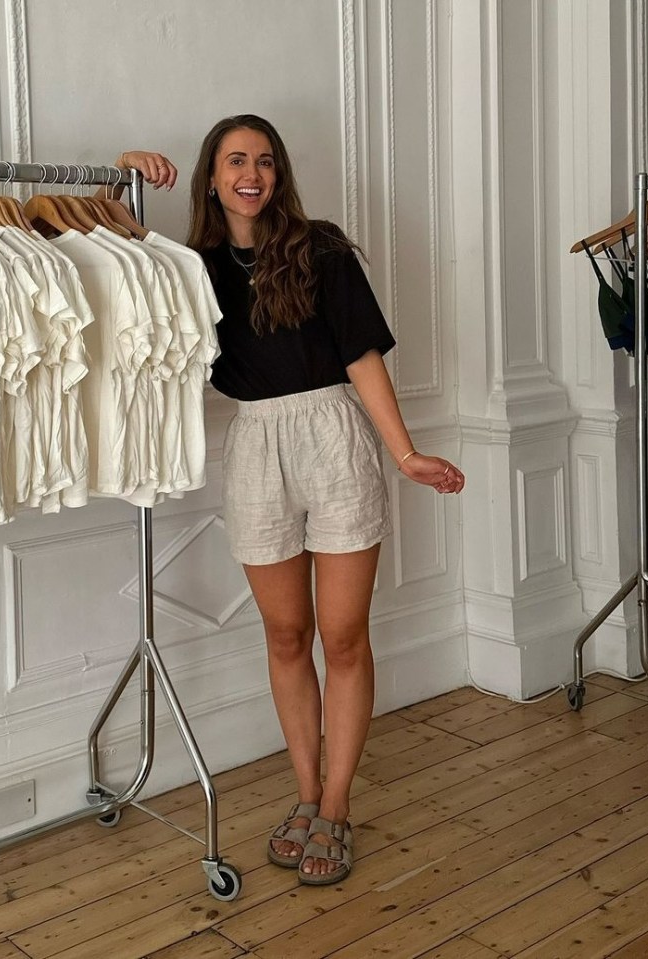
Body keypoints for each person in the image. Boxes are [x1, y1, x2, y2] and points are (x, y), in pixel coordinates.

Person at [112, 115, 464, 886]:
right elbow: (118, 276)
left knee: (342, 636)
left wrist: (403, 451)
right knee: (283, 634)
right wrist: (122, 176)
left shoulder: (321, 248)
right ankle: (304, 793)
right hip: (255, 446)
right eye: (236, 159)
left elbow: (360, 354)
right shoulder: (190, 267)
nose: (252, 172)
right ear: (211, 175)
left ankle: (336, 806)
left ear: (278, 175)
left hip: (335, 433)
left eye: (265, 160)